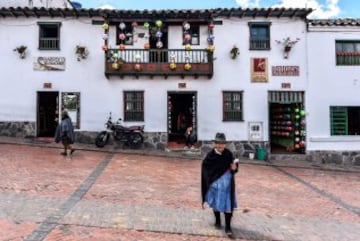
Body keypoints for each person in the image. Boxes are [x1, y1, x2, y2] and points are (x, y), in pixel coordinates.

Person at [201, 132, 239, 237]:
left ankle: (228, 227)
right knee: (216, 204)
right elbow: (205, 166)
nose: (219, 145)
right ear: (215, 144)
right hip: (216, 185)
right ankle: (217, 221)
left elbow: (234, 167)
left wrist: (234, 169)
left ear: (225, 144)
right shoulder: (211, 155)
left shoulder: (228, 154)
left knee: (228, 205)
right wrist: (210, 181)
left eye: (221, 143)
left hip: (227, 185)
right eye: (217, 143)